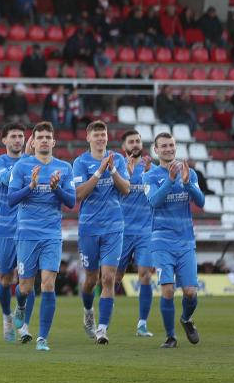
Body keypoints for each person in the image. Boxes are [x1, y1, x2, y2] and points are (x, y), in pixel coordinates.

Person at [7, 121, 76, 352]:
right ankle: (21, 305)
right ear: (33, 142)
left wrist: (56, 188)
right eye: (41, 137)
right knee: (25, 287)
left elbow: (71, 202)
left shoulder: (64, 168)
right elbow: (11, 199)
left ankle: (42, 338)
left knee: (48, 285)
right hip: (26, 234)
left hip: (51, 235)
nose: (45, 140)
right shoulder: (21, 168)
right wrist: (32, 185)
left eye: (48, 137)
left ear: (54, 142)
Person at [73, 121, 131, 345]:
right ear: (88, 138)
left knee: (108, 278)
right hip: (88, 228)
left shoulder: (117, 160)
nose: (100, 138)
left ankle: (103, 329)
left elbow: (126, 189)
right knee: (90, 279)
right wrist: (99, 171)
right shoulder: (80, 162)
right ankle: (88, 310)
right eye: (96, 135)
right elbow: (79, 194)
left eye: (103, 135)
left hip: (114, 227)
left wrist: (113, 169)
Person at [145, 132, 205, 348]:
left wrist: (188, 184)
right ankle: (171, 337)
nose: (168, 148)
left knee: (190, 292)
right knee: (168, 290)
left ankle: (186, 319)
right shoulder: (150, 176)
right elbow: (153, 201)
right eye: (164, 146)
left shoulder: (189, 173)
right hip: (161, 242)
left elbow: (201, 202)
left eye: (171, 145)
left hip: (186, 241)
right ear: (156, 149)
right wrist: (170, 181)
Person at [0, 124, 35, 342]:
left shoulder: (34, 162)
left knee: (28, 279)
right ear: (4, 141)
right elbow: (7, 178)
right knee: (6, 278)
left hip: (28, 228)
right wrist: (27, 158)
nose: (18, 140)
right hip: (5, 229)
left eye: (21, 136)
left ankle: (24, 326)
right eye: (13, 136)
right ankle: (7, 316)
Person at [117, 130, 157, 337]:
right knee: (114, 277)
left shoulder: (152, 169)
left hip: (145, 232)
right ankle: (100, 314)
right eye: (131, 141)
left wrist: (150, 175)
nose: (135, 144)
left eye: (138, 141)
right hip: (121, 231)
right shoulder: (117, 168)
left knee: (145, 275)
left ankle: (142, 323)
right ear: (124, 146)